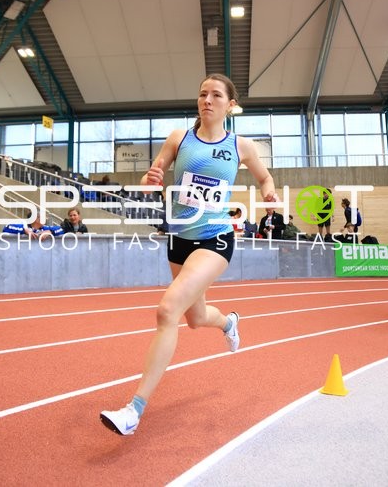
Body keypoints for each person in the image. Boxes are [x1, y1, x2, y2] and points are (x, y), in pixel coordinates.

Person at [100, 73, 277, 436]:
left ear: (230, 104)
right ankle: (229, 323)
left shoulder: (241, 145)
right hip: (179, 237)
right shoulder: (179, 138)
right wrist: (152, 177)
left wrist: (270, 193)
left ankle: (134, 410)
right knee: (195, 318)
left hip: (215, 238)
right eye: (202, 94)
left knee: (168, 310)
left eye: (215, 95)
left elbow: (264, 178)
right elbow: (158, 170)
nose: (206, 100)